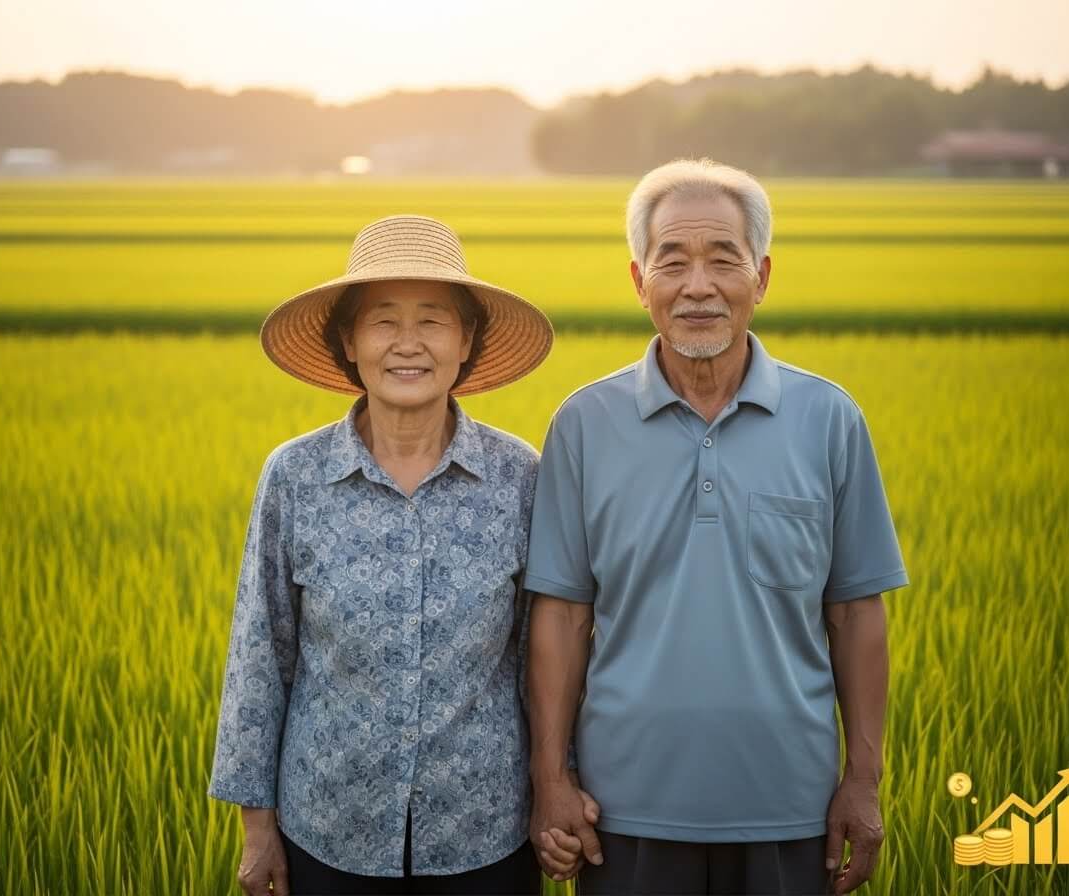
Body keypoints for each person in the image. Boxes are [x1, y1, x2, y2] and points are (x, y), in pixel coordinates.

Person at [524, 158, 909, 896]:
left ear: (760, 277)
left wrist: (862, 781)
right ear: (638, 282)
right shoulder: (583, 424)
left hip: (790, 809)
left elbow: (857, 611)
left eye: (721, 259)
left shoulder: (828, 419)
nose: (696, 285)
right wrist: (551, 779)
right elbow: (561, 614)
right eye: (671, 261)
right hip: (622, 814)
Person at [207, 215, 566, 895]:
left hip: (483, 829)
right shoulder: (295, 476)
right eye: (381, 322)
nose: (408, 344)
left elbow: (546, 650)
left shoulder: (521, 477)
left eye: (432, 321)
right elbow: (261, 650)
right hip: (329, 824)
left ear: (466, 342)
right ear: (348, 342)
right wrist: (257, 828)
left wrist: (560, 784)